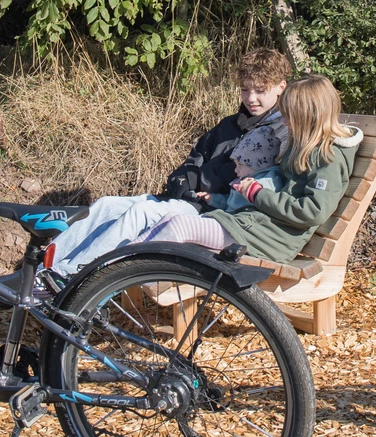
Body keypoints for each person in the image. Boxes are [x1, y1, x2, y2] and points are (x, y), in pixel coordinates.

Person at [39, 48, 291, 279]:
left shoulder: (279, 132)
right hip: (187, 199)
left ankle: (71, 277)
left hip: (215, 211)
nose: (251, 98)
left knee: (141, 213)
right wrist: (182, 176)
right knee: (106, 205)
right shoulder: (230, 124)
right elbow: (195, 157)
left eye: (260, 90)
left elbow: (249, 179)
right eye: (245, 90)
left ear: (280, 87)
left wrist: (200, 183)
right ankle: (41, 271)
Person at [142, 74, 360, 263]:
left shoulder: (328, 158)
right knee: (169, 222)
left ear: (308, 117)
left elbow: (312, 211)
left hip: (273, 239)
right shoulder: (302, 147)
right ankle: (119, 280)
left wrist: (257, 194)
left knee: (181, 227)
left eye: (289, 116)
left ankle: (122, 279)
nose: (284, 122)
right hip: (256, 225)